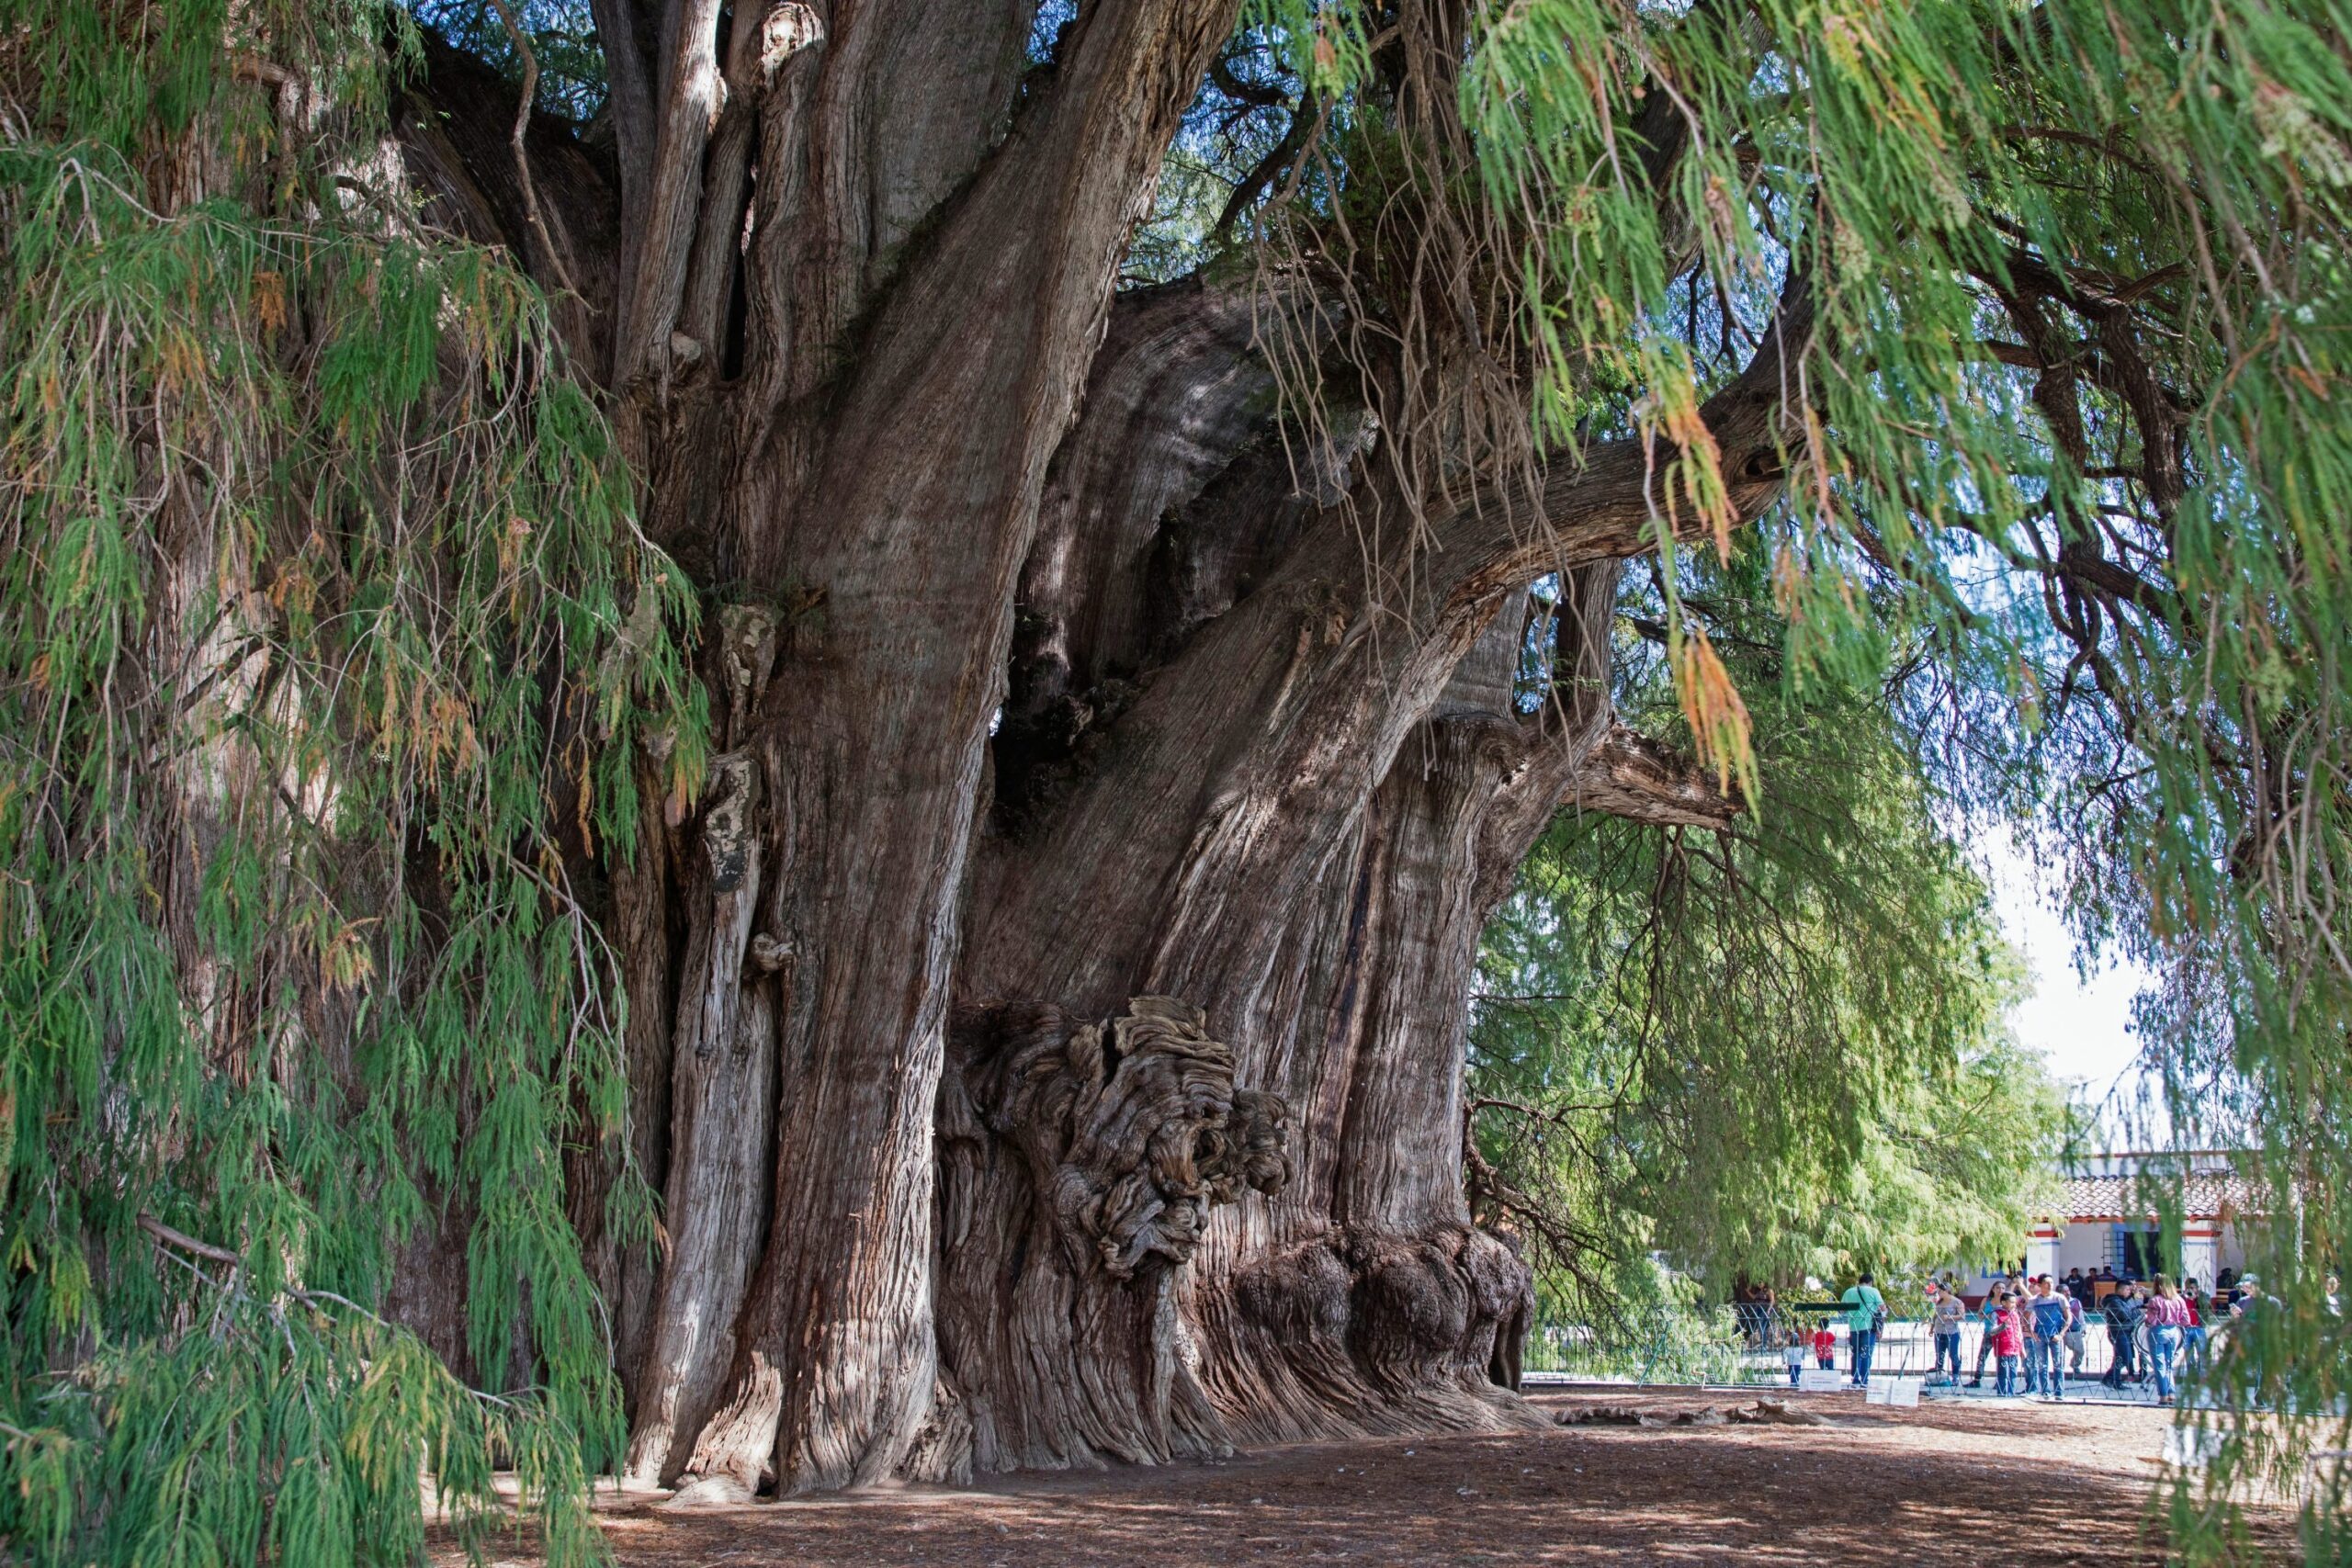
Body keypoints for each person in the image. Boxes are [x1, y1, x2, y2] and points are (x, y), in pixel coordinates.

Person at [2143, 1274, 2193, 1404]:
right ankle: (2172, 1393)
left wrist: (2146, 1320)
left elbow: (2151, 1321)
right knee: (2169, 1364)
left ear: (2157, 1285)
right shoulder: (2179, 1299)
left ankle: (2163, 1396)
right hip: (2173, 1331)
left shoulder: (2155, 1300)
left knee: (2159, 1365)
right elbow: (2186, 1320)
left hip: (2158, 1332)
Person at [2028, 1275, 2070, 1399]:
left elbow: (2069, 1317)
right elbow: (2025, 1316)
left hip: (2055, 1335)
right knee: (2042, 1365)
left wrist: (2061, 1334)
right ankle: (2045, 1390)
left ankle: (2059, 1392)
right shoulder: (2035, 1300)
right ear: (2040, 1285)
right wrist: (2031, 1332)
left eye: (2051, 1282)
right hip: (2040, 1335)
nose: (2050, 1285)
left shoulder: (2059, 1298)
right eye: (2046, 1283)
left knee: (2058, 1364)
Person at [1840, 1273, 1885, 1386]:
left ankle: (1855, 1378)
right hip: (1868, 1327)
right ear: (1870, 1282)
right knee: (1866, 1352)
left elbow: (1842, 1310)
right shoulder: (1873, 1291)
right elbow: (1883, 1308)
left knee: (1855, 1353)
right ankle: (1864, 1378)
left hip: (1853, 1327)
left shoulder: (1849, 1292)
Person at [2103, 1284, 2141, 1388]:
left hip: (2126, 1332)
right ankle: (2108, 1378)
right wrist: (2133, 1313)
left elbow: (2137, 1310)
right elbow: (2124, 1315)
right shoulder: (2114, 1302)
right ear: (2120, 1290)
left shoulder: (2123, 1301)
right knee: (2125, 1358)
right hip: (2119, 1332)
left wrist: (2133, 1312)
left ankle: (2116, 1381)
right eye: (2128, 1289)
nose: (2130, 1291)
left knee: (2119, 1358)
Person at [1929, 1281, 1966, 1382]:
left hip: (1952, 1332)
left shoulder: (1957, 1302)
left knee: (1953, 1354)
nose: (1938, 1293)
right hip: (1939, 1332)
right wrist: (1932, 1327)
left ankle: (1955, 1375)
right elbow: (1935, 1315)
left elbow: (1962, 1316)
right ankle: (1939, 1375)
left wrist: (1950, 1317)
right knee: (1939, 1354)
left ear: (1946, 1291)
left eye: (1940, 1291)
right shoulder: (1939, 1302)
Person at [1969, 1287, 2006, 1388]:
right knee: (1982, 1356)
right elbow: (1980, 1315)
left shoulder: (2006, 1301)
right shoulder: (1987, 1300)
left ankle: (2000, 1381)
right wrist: (1985, 1315)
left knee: (2001, 1357)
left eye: (2003, 1288)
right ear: (1993, 1289)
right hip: (1988, 1332)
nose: (2000, 1290)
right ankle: (1977, 1379)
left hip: (2001, 1332)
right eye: (1998, 1288)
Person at [1992, 1293, 2025, 1396]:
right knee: (2003, 1371)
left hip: (2015, 1348)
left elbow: (2019, 1331)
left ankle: (2011, 1392)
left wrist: (2021, 1348)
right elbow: (1992, 1331)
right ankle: (2002, 1392)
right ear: (2003, 1302)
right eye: (2012, 1302)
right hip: (2003, 1347)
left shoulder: (2015, 1314)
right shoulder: (1997, 1314)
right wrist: (2002, 1327)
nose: (2014, 1304)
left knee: (2013, 1372)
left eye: (2015, 1302)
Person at [1782, 1313, 1808, 1387]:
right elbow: (1803, 1357)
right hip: (1798, 1364)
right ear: (1798, 1341)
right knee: (1796, 1374)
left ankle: (1794, 1383)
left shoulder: (1788, 1349)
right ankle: (1795, 1383)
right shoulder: (1800, 1349)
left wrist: (1784, 1361)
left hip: (1791, 1364)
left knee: (1792, 1375)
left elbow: (1784, 1355)